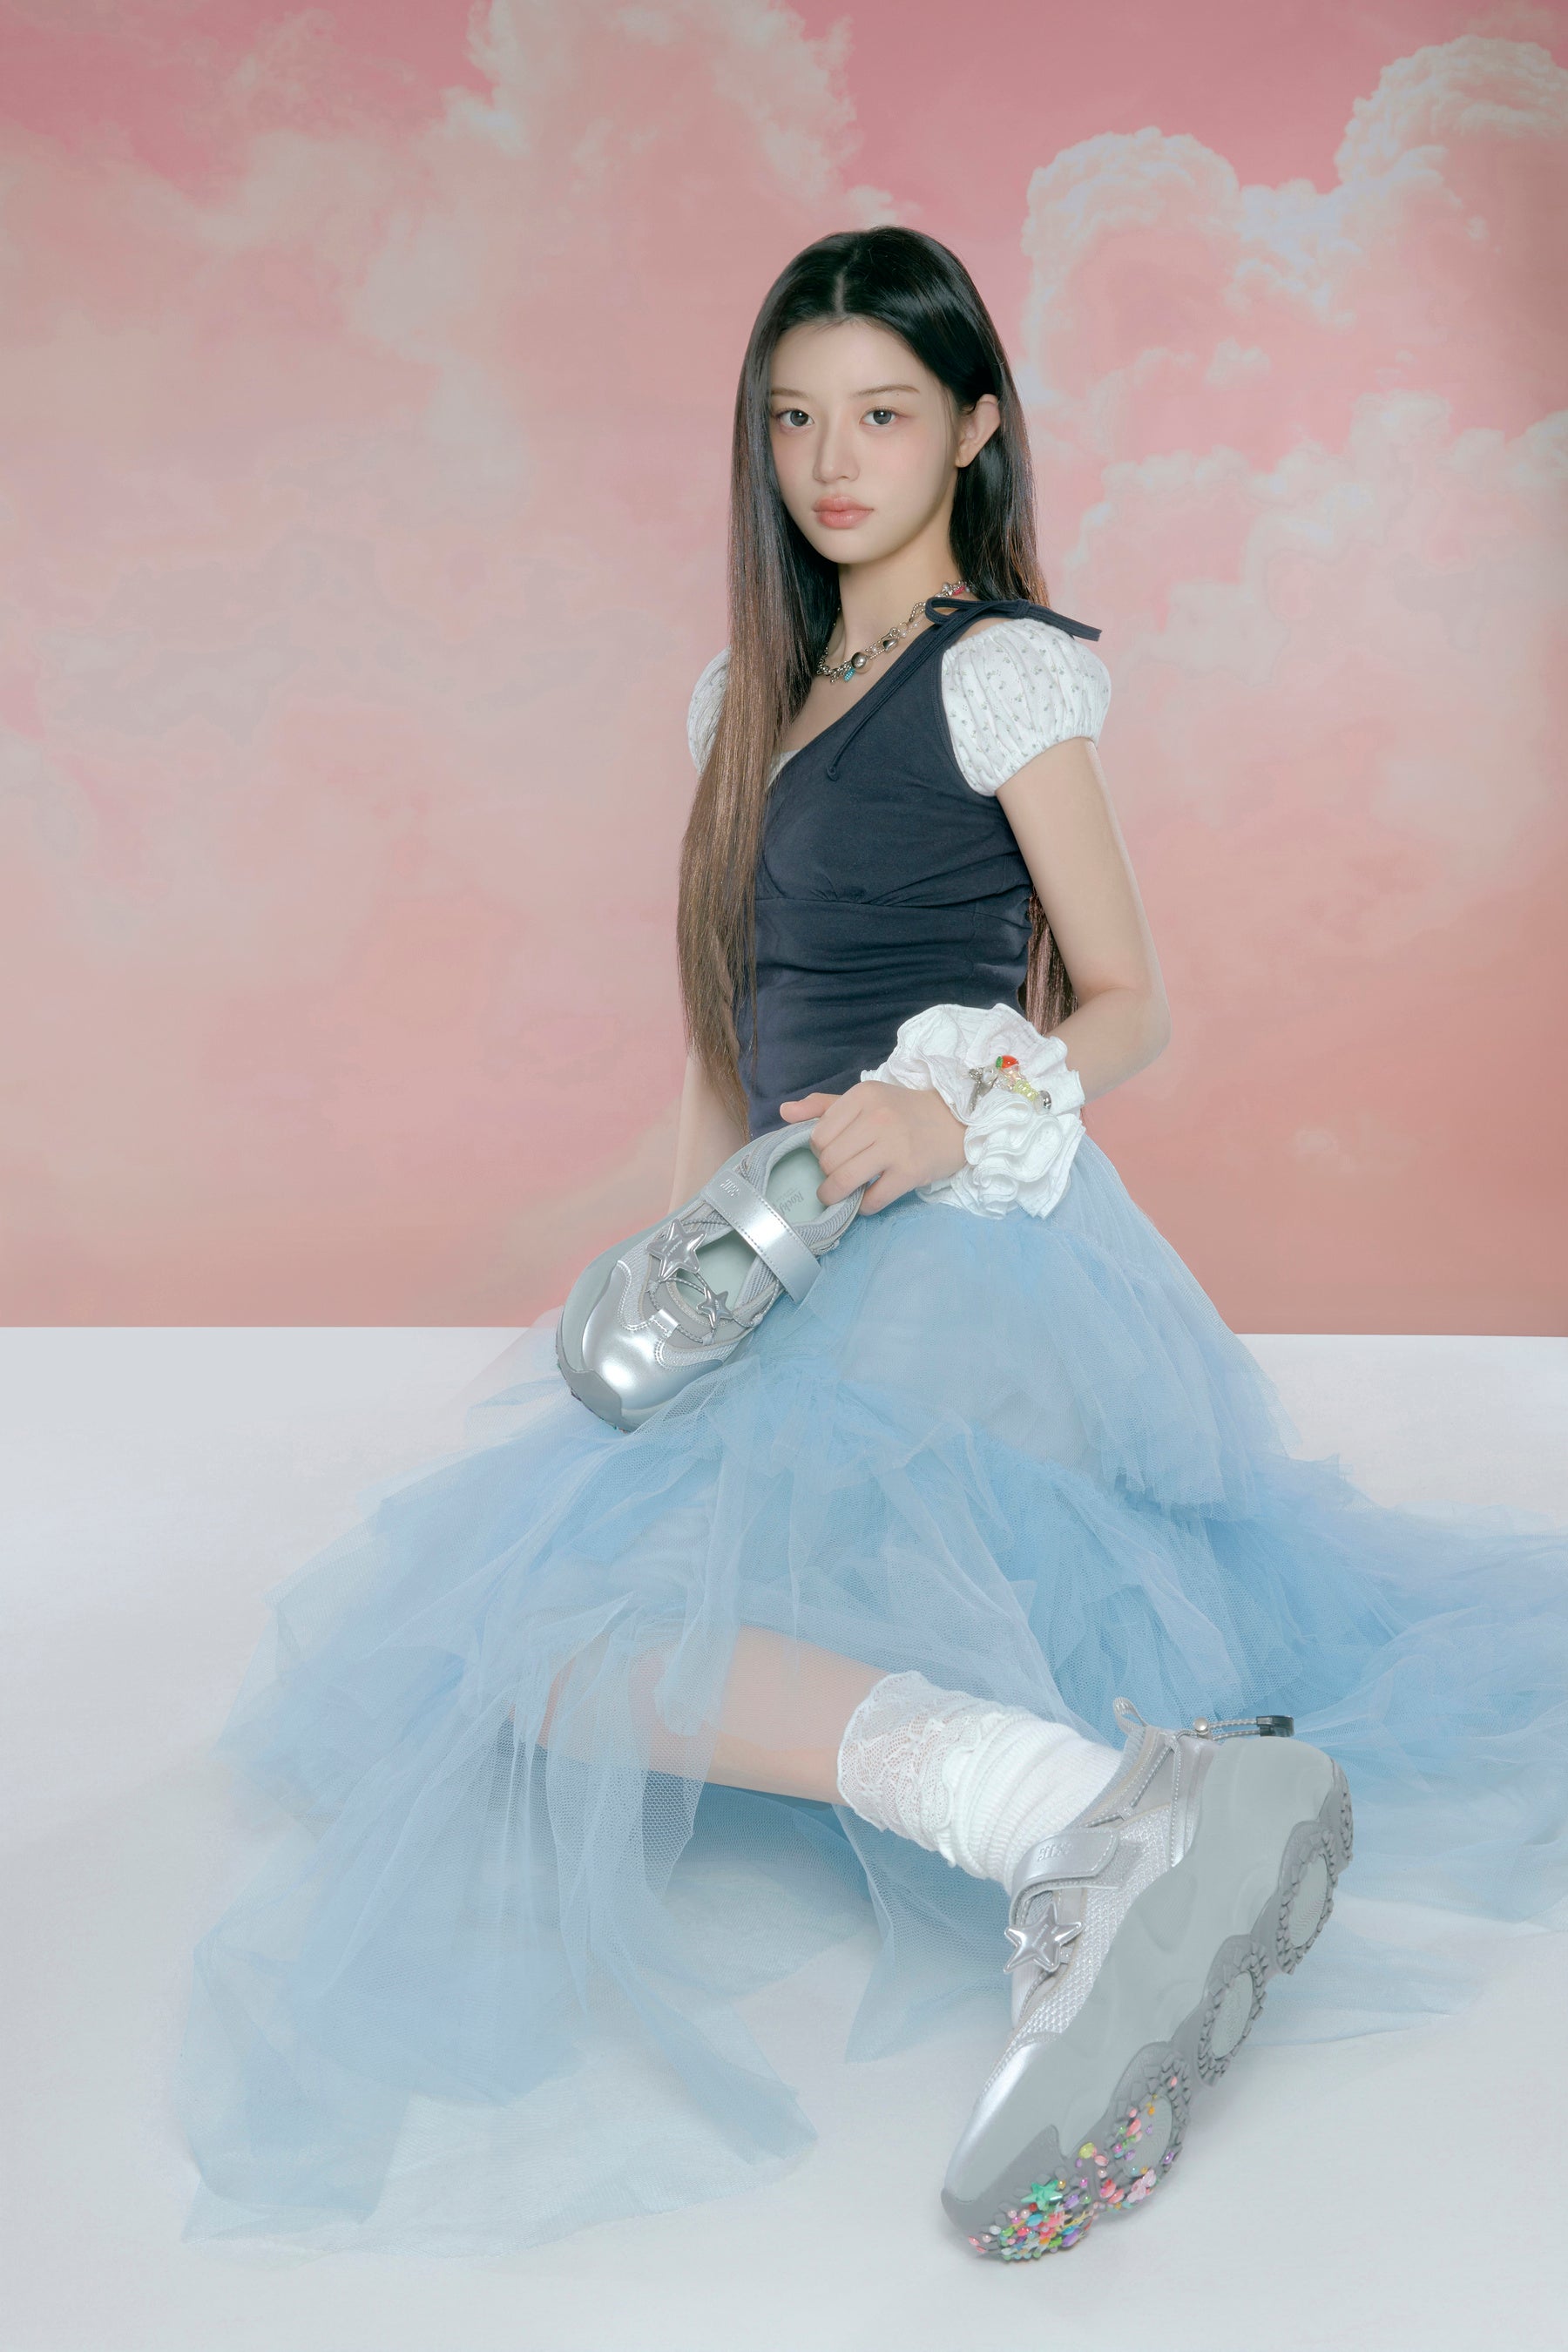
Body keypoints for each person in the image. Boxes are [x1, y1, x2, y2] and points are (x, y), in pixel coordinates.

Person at [176, 227, 1567, 2263]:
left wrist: (950, 1105)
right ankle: (1099, 1804)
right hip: (781, 1237)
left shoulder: (996, 673)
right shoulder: (739, 700)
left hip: (954, 1226)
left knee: (604, 1637)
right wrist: (685, 1257)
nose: (836, 462)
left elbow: (1128, 998)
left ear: (974, 429)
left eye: (885, 416)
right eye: (796, 420)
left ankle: (1072, 1820)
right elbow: (720, 1029)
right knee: (562, 1628)